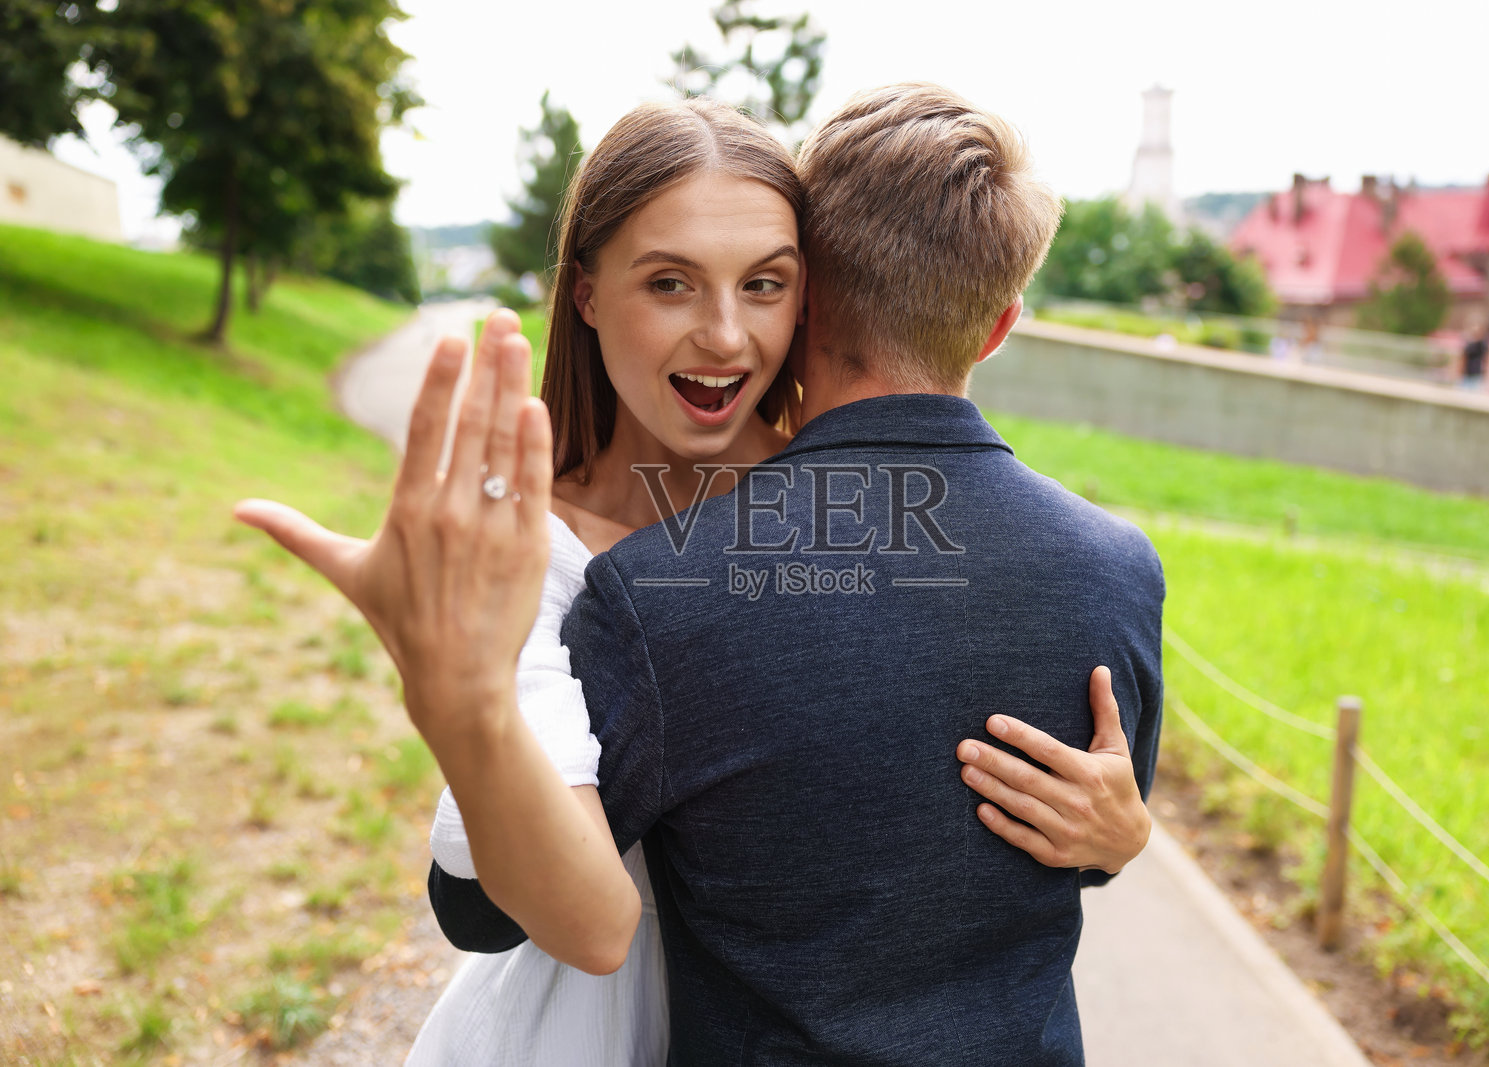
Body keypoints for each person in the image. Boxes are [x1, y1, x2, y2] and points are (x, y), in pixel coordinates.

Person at [234, 93, 1154, 1065]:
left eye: (763, 283)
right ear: (585, 291)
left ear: (816, 297)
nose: (723, 334)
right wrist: (453, 686)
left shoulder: (861, 500)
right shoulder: (535, 544)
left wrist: (1119, 831)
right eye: (670, 282)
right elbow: (486, 906)